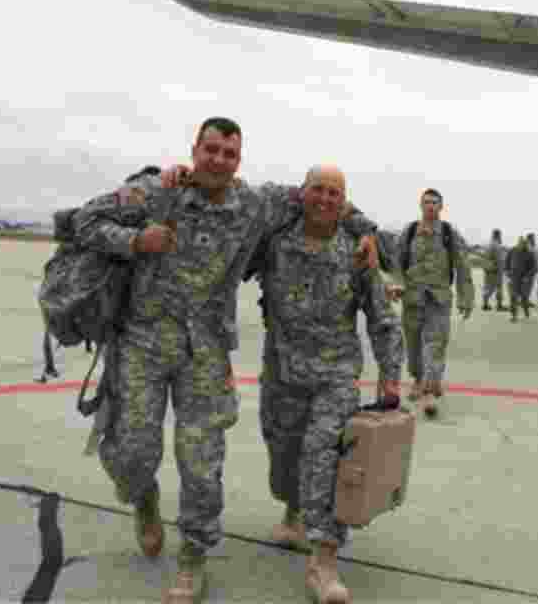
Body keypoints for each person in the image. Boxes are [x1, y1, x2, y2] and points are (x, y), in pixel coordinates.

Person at [75, 117, 380, 604]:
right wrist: (135, 241)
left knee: (201, 461)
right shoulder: (155, 192)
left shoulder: (255, 204)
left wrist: (365, 231)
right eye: (210, 150)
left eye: (229, 153)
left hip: (206, 351)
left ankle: (192, 561)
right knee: (133, 453)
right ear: (194, 150)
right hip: (142, 343)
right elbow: (84, 222)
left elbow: (322, 198)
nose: (218, 160)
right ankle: (144, 497)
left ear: (239, 159)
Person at [253, 165, 403, 604]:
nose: (325, 199)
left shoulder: (357, 252)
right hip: (282, 375)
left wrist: (390, 374)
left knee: (325, 459)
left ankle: (324, 563)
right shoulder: (275, 244)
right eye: (317, 190)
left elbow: (381, 318)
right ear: (303, 194)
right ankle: (293, 509)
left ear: (345, 202)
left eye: (334, 193)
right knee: (285, 466)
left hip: (335, 376)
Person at [391, 188, 475, 417]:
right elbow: (396, 263)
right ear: (420, 205)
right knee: (414, 345)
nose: (430, 206)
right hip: (413, 299)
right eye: (426, 202)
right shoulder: (408, 232)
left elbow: (462, 266)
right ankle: (419, 379)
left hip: (438, 300)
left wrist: (466, 297)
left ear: (441, 207)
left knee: (435, 344)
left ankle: (429, 391)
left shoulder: (449, 233)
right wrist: (396, 284)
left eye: (435, 203)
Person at [506, 235, 537, 321]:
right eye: (520, 242)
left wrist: (527, 276)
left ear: (525, 244)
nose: (521, 244)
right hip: (513, 278)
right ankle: (513, 315)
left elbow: (533, 268)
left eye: (523, 243)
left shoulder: (529, 253)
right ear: (517, 242)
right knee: (513, 297)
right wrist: (507, 273)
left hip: (524, 279)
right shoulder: (512, 251)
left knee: (524, 297)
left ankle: (526, 311)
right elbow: (507, 262)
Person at [481, 229, 506, 311]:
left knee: (488, 287)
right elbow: (499, 259)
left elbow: (484, 257)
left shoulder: (488, 244)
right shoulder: (496, 245)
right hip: (495, 270)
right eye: (500, 235)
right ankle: (499, 305)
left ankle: (485, 304)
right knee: (497, 288)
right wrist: (501, 269)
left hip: (488, 269)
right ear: (498, 235)